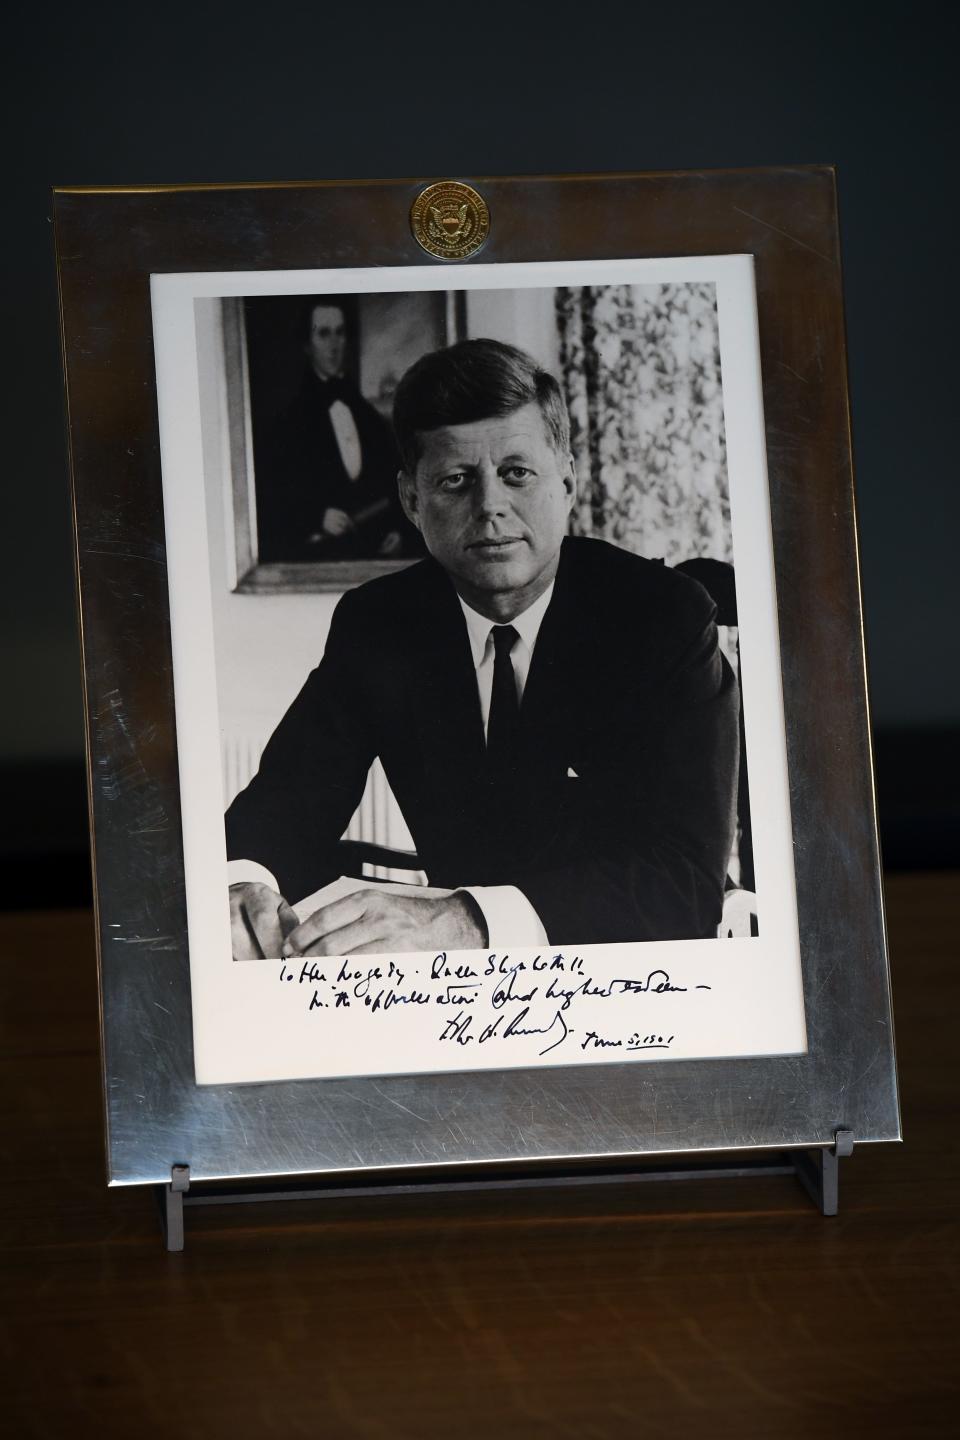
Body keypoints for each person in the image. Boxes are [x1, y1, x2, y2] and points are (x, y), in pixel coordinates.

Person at [226, 338, 740, 960]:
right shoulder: (379, 622)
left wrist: (463, 921)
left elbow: (683, 883)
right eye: (455, 480)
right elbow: (294, 792)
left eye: (517, 473)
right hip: (454, 983)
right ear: (413, 501)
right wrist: (246, 879)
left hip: (632, 959)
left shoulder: (662, 616)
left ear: (568, 479)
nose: (490, 506)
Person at [255, 299, 417, 562]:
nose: (333, 345)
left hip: (373, 557)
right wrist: (315, 518)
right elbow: (272, 497)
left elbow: (394, 482)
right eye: (323, 334)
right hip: (319, 557)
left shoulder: (370, 418)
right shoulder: (288, 422)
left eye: (340, 333)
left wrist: (398, 530)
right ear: (307, 345)